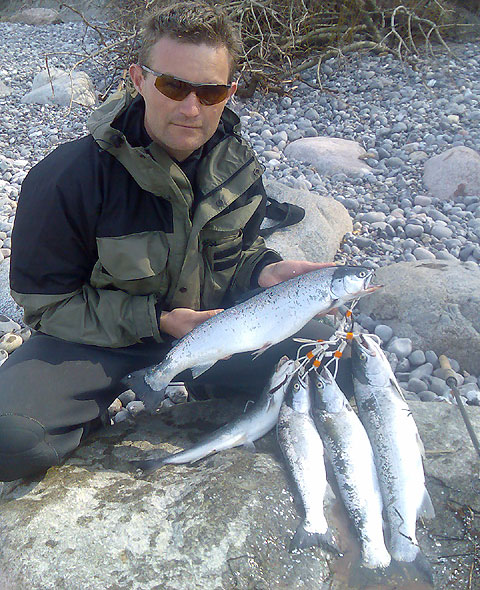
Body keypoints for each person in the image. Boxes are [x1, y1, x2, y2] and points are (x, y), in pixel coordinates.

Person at [0, 0, 347, 483]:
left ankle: (211, 388)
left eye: (210, 92)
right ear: (139, 80)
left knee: (340, 370)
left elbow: (237, 253)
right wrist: (157, 321)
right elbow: (48, 306)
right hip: (102, 341)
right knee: (8, 437)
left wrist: (263, 271)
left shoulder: (238, 167)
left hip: (215, 334)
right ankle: (97, 414)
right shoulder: (66, 178)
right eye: (173, 85)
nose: (191, 107)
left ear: (230, 92)